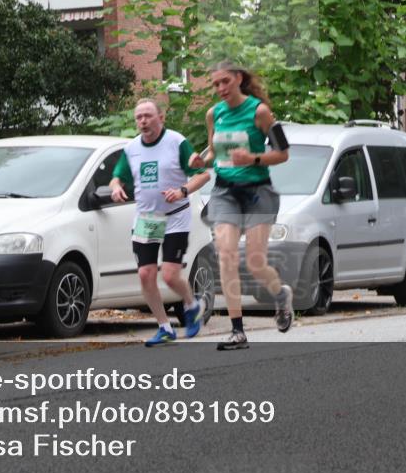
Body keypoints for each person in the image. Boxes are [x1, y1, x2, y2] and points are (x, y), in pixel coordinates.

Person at [189, 61, 292, 350]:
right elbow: (214, 149)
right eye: (215, 84)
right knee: (226, 256)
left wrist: (253, 159)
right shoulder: (214, 114)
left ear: (238, 79)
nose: (220, 88)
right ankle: (237, 331)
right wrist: (202, 159)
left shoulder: (259, 111)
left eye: (225, 82)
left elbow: (283, 153)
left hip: (258, 192)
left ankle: (281, 294)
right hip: (225, 192)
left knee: (255, 262)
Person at [110, 98, 210, 346]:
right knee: (145, 274)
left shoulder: (177, 142)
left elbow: (203, 174)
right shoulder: (131, 148)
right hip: (147, 218)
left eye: (148, 115)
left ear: (161, 117)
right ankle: (165, 327)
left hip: (176, 216)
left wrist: (183, 191)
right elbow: (117, 178)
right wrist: (115, 188)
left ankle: (191, 304)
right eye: (139, 117)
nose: (142, 121)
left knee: (169, 275)